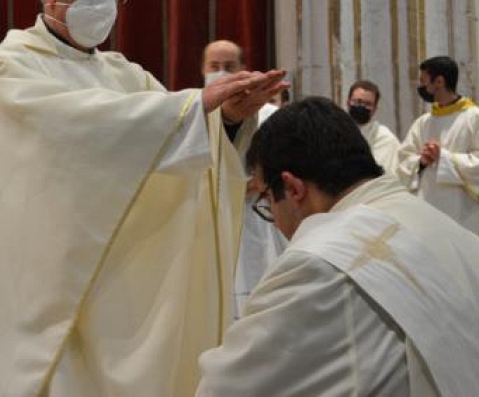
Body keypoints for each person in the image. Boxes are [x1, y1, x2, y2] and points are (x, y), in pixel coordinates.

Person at [0, 0, 286, 397]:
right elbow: (77, 129)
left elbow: (183, 145)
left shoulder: (124, 74)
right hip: (45, 302)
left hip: (115, 298)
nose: (108, 1)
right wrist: (196, 106)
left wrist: (227, 120)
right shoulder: (10, 67)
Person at [197, 96, 479, 396]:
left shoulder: (316, 265)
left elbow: (225, 389)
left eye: (266, 201)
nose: (274, 221)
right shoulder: (457, 234)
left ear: (292, 188)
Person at [202, 40, 286, 318]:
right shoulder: (190, 115)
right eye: (215, 66)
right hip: (209, 219)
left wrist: (262, 182)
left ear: (243, 69)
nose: (222, 72)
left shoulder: (270, 116)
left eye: (229, 66)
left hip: (259, 219)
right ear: (203, 70)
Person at [398, 56, 479, 234]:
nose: (422, 87)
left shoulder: (474, 117)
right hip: (427, 211)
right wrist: (421, 161)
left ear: (439, 81)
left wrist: (444, 158)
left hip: (464, 215)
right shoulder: (424, 122)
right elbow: (403, 160)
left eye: (424, 81)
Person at [346, 79, 400, 175]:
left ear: (374, 109)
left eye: (367, 104)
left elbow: (389, 176)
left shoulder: (386, 139)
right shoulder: (334, 133)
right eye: (357, 101)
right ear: (348, 102)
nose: (361, 106)